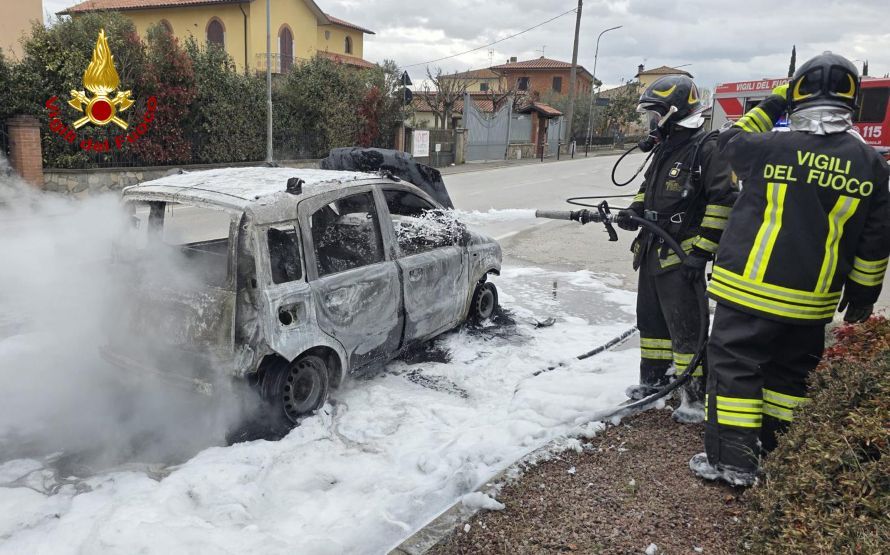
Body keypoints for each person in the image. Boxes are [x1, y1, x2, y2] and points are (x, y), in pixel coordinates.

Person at [690, 52, 890, 486]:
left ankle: (732, 462)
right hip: (812, 303)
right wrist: (862, 298)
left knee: (733, 371)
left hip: (748, 290)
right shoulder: (871, 164)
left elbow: (727, 139)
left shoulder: (769, 146)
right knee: (789, 377)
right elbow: (876, 242)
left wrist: (774, 102)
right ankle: (777, 454)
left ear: (797, 95)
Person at [616, 75, 737, 423]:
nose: (649, 123)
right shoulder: (666, 148)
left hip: (682, 256)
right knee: (651, 323)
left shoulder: (707, 149)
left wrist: (701, 252)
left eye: (652, 116)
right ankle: (652, 382)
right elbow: (647, 188)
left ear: (671, 113)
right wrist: (635, 211)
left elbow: (724, 203)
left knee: (686, 329)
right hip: (653, 249)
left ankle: (694, 398)